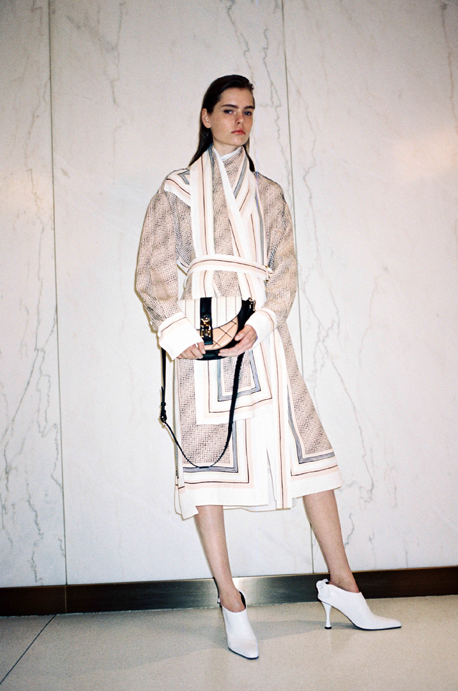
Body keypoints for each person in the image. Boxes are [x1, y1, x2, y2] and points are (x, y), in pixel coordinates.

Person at [135, 75, 400, 659]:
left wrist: (262, 323)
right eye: (229, 110)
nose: (240, 121)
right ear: (206, 116)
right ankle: (231, 601)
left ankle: (345, 586)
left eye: (249, 112)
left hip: (262, 331)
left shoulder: (269, 193)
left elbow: (287, 269)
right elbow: (153, 268)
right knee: (205, 461)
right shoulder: (178, 189)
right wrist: (179, 333)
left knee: (310, 453)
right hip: (203, 333)